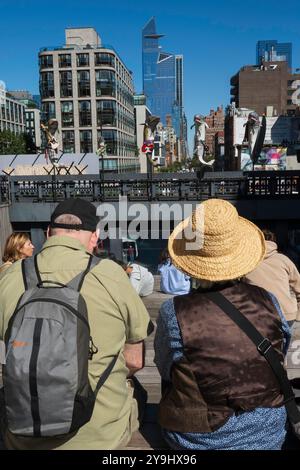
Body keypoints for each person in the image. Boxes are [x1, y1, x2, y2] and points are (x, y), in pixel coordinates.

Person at [0, 198, 153, 450]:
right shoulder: (111, 275)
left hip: (22, 432)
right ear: (95, 237)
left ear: (48, 233)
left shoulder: (10, 276)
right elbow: (135, 361)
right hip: (101, 437)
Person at [154, 199, 290, 450]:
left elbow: (165, 368)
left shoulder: (174, 311)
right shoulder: (268, 300)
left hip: (199, 439)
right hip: (268, 433)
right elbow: (281, 345)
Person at [243, 229, 300, 326]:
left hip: (257, 315)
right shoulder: (284, 260)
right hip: (287, 314)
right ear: (274, 242)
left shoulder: (246, 263)